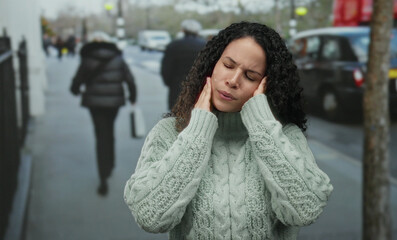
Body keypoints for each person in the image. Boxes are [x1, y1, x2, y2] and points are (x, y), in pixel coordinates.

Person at [124, 22, 333, 239]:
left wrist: (262, 125)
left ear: (267, 86)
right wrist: (197, 131)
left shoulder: (285, 137)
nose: (233, 81)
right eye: (228, 65)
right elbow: (149, 217)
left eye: (250, 76)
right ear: (212, 65)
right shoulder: (170, 132)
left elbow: (306, 210)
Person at [70, 32, 137, 196]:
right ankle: (111, 163)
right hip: (114, 103)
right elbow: (130, 80)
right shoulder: (118, 58)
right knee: (110, 131)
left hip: (95, 103)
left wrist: (77, 90)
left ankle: (103, 178)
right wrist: (133, 97)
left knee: (101, 135)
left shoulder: (87, 58)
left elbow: (76, 84)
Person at [161, 19, 206, 110]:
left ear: (183, 30)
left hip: (177, 87)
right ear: (197, 31)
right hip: (198, 87)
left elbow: (166, 69)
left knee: (176, 118)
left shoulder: (173, 45)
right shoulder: (205, 45)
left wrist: (169, 83)